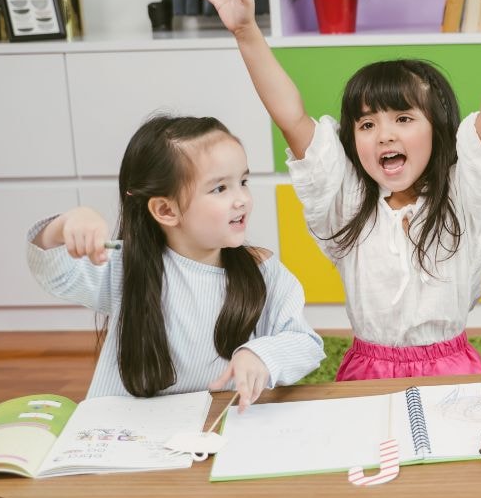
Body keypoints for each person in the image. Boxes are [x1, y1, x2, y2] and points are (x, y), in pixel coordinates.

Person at [198, 0, 481, 379]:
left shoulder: (464, 197)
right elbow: (290, 116)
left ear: (438, 132)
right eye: (366, 124)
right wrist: (247, 31)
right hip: (368, 370)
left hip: (451, 369)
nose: (384, 134)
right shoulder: (347, 204)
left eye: (403, 118)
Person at [27, 115, 324, 410]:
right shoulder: (125, 265)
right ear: (166, 210)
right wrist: (65, 224)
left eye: (243, 182)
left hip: (219, 427)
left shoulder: (263, 271)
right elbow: (54, 272)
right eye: (220, 188)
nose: (242, 199)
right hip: (125, 430)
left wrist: (263, 355)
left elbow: (306, 344)